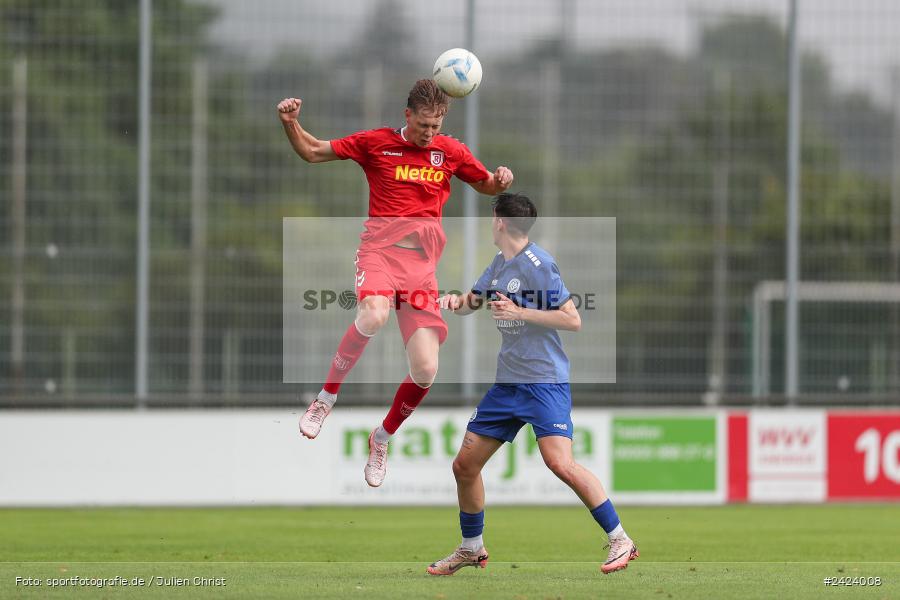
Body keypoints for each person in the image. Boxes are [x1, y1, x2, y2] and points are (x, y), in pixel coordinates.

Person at [276, 80, 513, 487]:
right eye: (423, 125)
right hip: (380, 253)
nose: (429, 133)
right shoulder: (377, 143)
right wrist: (291, 122)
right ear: (408, 115)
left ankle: (382, 437)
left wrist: (500, 180)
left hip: (421, 268)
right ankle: (325, 399)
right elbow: (313, 151)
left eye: (435, 126)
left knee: (426, 369)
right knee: (374, 315)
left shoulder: (449, 152)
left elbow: (486, 183)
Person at [428, 193, 638, 576]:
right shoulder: (498, 263)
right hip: (507, 385)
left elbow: (572, 319)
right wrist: (442, 300)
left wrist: (519, 311)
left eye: (491, 217)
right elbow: (471, 302)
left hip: (543, 382)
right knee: (465, 466)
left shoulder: (538, 265)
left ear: (500, 221)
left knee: (560, 463)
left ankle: (620, 538)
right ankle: (471, 548)